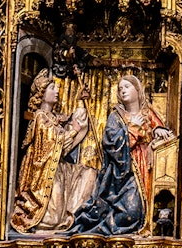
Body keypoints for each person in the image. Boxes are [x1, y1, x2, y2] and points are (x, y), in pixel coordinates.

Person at [70, 75, 172, 235]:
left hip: (147, 165)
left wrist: (158, 129)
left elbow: (158, 127)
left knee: (146, 206)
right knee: (129, 212)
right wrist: (133, 129)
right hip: (123, 172)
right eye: (120, 88)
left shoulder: (148, 112)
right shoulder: (116, 116)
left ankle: (148, 226)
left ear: (138, 90)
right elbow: (110, 143)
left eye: (127, 86)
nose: (123, 90)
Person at [10, 70, 94, 233]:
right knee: (52, 219)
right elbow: (54, 143)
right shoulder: (40, 117)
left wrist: (80, 103)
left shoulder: (54, 118)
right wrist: (73, 132)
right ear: (41, 93)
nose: (57, 91)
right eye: (52, 88)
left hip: (58, 169)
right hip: (42, 175)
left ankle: (77, 215)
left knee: (89, 174)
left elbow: (69, 132)